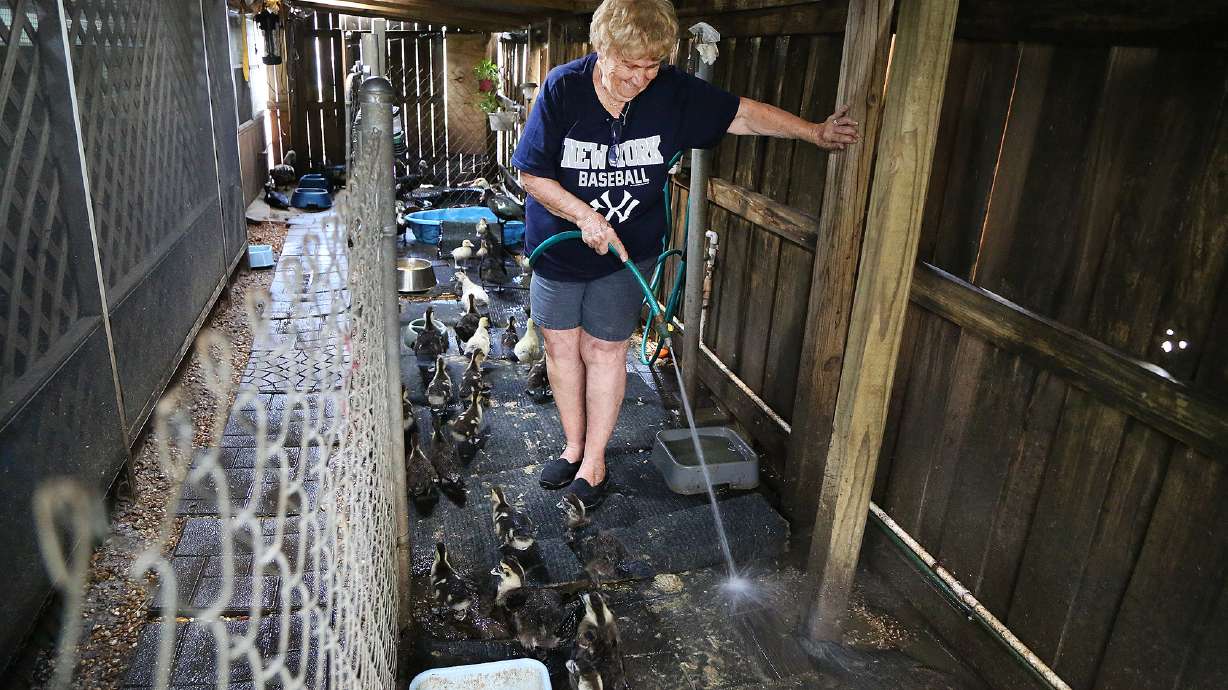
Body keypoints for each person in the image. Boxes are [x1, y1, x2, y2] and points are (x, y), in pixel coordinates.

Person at [511, 0, 860, 509]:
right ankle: (572, 446)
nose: (641, 78)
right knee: (562, 348)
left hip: (627, 253)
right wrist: (584, 217)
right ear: (601, 49)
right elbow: (531, 174)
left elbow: (740, 114)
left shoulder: (672, 91)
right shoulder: (564, 88)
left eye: (651, 66)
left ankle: (595, 461)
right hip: (560, 247)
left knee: (604, 350)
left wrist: (813, 132)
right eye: (629, 65)